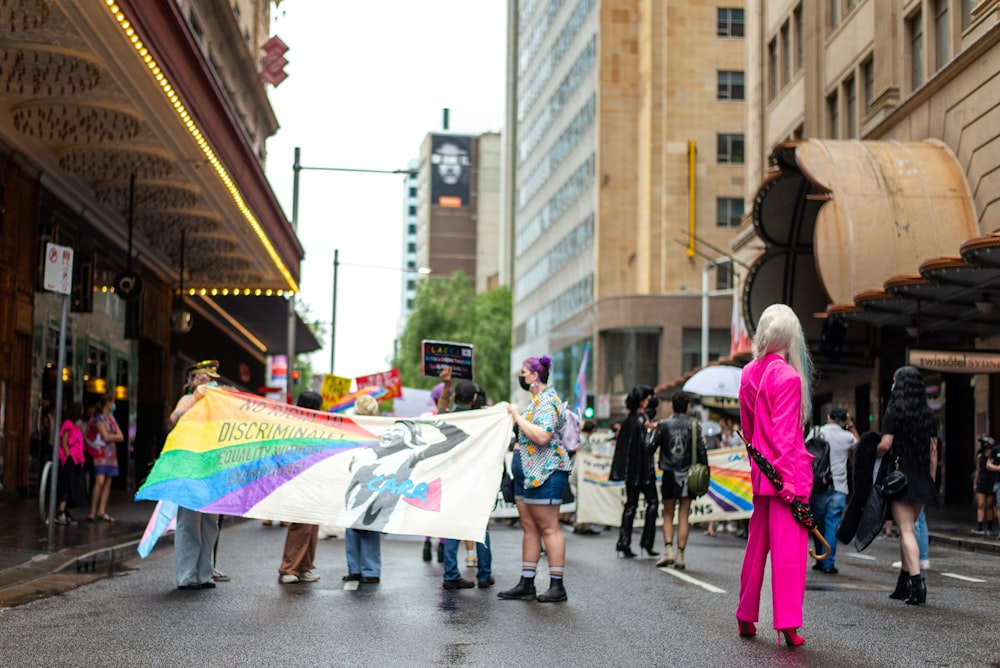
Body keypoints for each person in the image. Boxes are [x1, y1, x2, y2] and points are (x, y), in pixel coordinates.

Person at [735, 303, 813, 647]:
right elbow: (784, 437)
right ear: (790, 336)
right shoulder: (790, 377)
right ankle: (788, 624)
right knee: (789, 554)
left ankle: (746, 615)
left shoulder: (749, 372)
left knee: (756, 548)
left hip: (762, 474)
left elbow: (750, 431)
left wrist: (764, 472)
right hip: (786, 476)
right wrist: (790, 488)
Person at [499, 355, 572, 603]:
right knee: (529, 527)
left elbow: (542, 436)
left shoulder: (548, 401)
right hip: (530, 472)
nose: (521, 376)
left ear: (535, 376)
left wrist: (518, 417)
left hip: (547, 471)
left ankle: (557, 585)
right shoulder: (537, 401)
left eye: (523, 372)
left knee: (549, 528)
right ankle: (526, 582)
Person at [877, 365, 938, 606]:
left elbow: (885, 445)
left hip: (901, 478)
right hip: (923, 478)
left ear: (899, 386)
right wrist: (931, 480)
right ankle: (903, 583)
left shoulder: (895, 412)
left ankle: (917, 583)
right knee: (909, 529)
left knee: (906, 531)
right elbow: (934, 452)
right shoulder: (929, 415)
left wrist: (873, 450)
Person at [169, 360, 223, 590]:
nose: (204, 380)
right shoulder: (187, 399)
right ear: (191, 380)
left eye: (208, 377)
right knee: (190, 522)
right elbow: (174, 418)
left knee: (210, 523)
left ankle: (204, 574)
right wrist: (196, 396)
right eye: (199, 377)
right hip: (190, 466)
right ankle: (186, 576)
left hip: (212, 466)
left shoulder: (217, 401)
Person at [438, 379, 494, 590]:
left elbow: (440, 408)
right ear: (473, 399)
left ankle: (451, 573)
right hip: (475, 480)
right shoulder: (482, 421)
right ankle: (485, 574)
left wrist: (446, 385)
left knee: (451, 525)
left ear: (455, 397)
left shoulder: (445, 418)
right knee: (480, 526)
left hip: (451, 480)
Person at [649, 391, 707, 569]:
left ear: (672, 406)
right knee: (684, 515)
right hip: (689, 475)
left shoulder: (663, 425)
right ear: (688, 407)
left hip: (669, 474)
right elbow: (702, 452)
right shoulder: (695, 425)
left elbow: (650, 447)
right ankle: (680, 555)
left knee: (667, 514)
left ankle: (668, 551)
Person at [277, 391, 325, 584]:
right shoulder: (293, 428)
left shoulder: (319, 428)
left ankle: (305, 566)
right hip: (299, 483)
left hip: (315, 483)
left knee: (312, 527)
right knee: (300, 525)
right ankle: (288, 568)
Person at [609, 385, 659, 558]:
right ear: (641, 400)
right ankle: (646, 542)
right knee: (652, 503)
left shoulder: (630, 419)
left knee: (631, 505)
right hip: (643, 472)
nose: (648, 401)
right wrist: (654, 433)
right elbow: (647, 447)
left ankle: (624, 542)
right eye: (646, 398)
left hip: (631, 472)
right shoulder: (639, 421)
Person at [808, 408, 859, 574]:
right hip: (839, 487)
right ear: (844, 420)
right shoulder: (847, 436)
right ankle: (828, 563)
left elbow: (804, 452)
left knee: (816, 524)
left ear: (829, 417)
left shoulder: (817, 431)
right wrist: (850, 426)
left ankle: (818, 559)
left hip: (817, 487)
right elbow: (860, 444)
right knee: (831, 525)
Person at [342, 394, 385, 585]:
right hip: (373, 481)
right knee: (370, 525)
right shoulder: (382, 430)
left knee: (352, 526)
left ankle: (355, 569)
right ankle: (371, 570)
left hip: (355, 482)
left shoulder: (351, 429)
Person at [85, 394, 123, 523]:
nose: (113, 405)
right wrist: (114, 437)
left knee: (107, 483)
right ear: (108, 403)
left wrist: (111, 437)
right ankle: (92, 511)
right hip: (100, 453)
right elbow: (106, 437)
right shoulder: (98, 419)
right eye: (112, 402)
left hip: (111, 454)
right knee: (99, 481)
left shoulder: (111, 419)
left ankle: (102, 511)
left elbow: (121, 436)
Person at [54, 402, 86, 526]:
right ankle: (60, 512)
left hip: (77, 459)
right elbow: (64, 441)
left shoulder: (75, 426)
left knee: (73, 487)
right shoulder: (68, 424)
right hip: (70, 460)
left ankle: (66, 511)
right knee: (67, 485)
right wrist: (68, 458)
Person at [972, 436, 997, 536]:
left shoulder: (994, 457)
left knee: (989, 505)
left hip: (991, 481)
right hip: (981, 481)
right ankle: (979, 526)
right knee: (981, 504)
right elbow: (977, 470)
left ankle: (990, 527)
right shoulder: (980, 456)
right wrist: (975, 482)